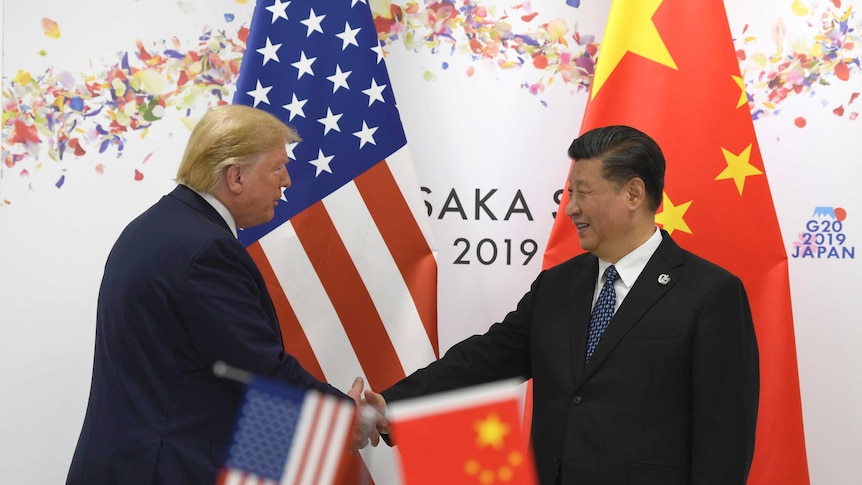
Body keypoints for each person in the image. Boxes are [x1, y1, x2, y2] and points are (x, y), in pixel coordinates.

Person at [364, 125, 760, 484]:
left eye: (583, 193)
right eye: (570, 193)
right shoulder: (558, 285)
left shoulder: (710, 293)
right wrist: (392, 404)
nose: (570, 208)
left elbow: (724, 440)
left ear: (633, 194)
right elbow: (487, 358)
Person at [67, 104, 369, 485]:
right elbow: (258, 370)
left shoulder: (152, 229)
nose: (288, 181)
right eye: (277, 167)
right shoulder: (206, 250)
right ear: (236, 176)